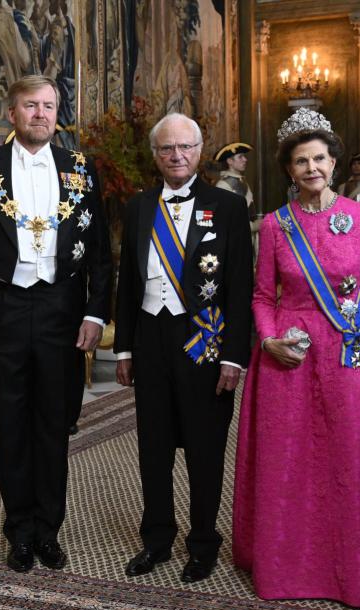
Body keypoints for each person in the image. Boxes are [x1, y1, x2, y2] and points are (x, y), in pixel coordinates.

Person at [232, 108, 360, 608]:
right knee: (292, 462)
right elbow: (262, 296)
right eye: (301, 161)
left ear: (334, 162)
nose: (312, 168)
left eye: (319, 158)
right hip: (291, 360)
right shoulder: (275, 226)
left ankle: (352, 565)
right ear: (289, 169)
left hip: (351, 354)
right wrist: (268, 339)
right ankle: (291, 566)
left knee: (349, 458)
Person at [0, 75, 111, 573]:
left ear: (57, 114)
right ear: (12, 113)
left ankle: (48, 530)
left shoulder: (80, 168)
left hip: (62, 307)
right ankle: (19, 530)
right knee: (10, 422)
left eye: (48, 106)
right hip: (2, 307)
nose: (41, 114)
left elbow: (100, 252)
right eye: (30, 106)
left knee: (54, 422)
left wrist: (94, 312)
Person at [115, 113, 253, 583]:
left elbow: (240, 287)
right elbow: (128, 283)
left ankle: (203, 543)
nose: (177, 156)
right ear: (156, 155)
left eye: (185, 147)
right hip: (150, 339)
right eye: (167, 148)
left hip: (204, 341)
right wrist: (124, 349)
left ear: (199, 150)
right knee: (153, 448)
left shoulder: (227, 206)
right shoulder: (138, 206)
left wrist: (234, 355)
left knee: (204, 446)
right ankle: (156, 540)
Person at [215, 141, 261, 262]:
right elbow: (226, 221)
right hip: (235, 242)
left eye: (244, 156)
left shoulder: (241, 181)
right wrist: (254, 226)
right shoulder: (223, 185)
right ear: (230, 161)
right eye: (240, 157)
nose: (245, 160)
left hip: (247, 238)